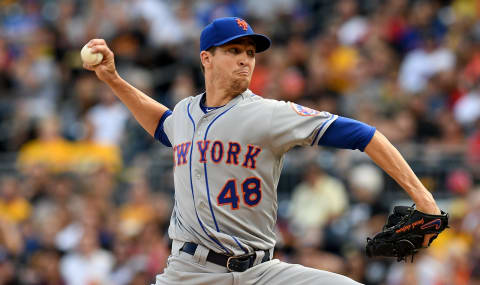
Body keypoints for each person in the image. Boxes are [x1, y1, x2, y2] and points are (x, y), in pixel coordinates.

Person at [83, 17, 442, 285]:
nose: (245, 60)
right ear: (206, 58)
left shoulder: (269, 114)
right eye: (234, 51)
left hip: (262, 272)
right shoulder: (186, 113)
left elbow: (364, 135)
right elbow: (163, 125)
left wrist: (424, 199)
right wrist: (114, 79)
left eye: (250, 53)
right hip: (190, 272)